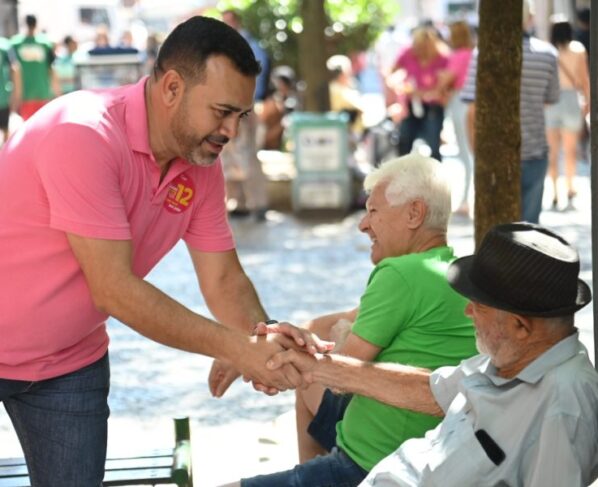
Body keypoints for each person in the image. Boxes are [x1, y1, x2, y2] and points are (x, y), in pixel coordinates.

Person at [0, 16, 328, 486]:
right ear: (172, 86)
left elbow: (223, 279)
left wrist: (263, 339)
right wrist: (238, 347)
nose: (232, 131)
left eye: (241, 116)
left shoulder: (201, 165)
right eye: (221, 111)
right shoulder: (84, 133)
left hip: (69, 363)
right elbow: (115, 289)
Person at [265, 222, 598, 486]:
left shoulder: (562, 408)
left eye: (478, 306)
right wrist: (318, 367)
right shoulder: (517, 358)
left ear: (520, 326)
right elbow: (430, 390)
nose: (468, 312)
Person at [226, 153, 478, 486]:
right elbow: (338, 322)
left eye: (373, 211)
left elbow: (336, 373)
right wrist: (261, 339)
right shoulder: (445, 269)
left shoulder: (400, 273)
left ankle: (317, 476)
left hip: (378, 460)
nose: (362, 224)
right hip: (421, 445)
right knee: (311, 382)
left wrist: (260, 360)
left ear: (414, 213)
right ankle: (314, 473)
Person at [461, 1, 559, 224]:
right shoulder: (548, 55)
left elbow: (471, 110)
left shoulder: (483, 54)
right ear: (530, 18)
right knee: (530, 227)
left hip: (495, 153)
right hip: (534, 149)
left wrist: (476, 151)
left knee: (497, 229)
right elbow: (550, 100)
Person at [221, 9, 270, 220]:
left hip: (244, 104)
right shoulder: (223, 46)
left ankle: (258, 203)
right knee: (228, 153)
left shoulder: (250, 47)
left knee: (248, 154)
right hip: (225, 104)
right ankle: (238, 202)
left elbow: (257, 75)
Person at [545, 16, 590, 211]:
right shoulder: (578, 50)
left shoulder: (548, 51)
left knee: (553, 152)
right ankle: (570, 188)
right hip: (572, 99)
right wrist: (588, 102)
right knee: (570, 150)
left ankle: (555, 192)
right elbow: (584, 79)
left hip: (551, 102)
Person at [389, 26, 449, 161]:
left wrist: (431, 93)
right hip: (412, 104)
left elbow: (445, 86)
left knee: (433, 144)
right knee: (405, 140)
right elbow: (392, 72)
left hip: (433, 106)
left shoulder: (442, 58)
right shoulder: (408, 53)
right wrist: (400, 88)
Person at [438, 20, 475, 215]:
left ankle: (466, 200)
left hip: (462, 103)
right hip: (468, 102)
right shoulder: (473, 54)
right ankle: (467, 199)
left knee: (466, 154)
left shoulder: (459, 56)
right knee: (469, 153)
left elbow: (446, 80)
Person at [10, 14, 59, 120]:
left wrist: (15, 96)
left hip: (27, 95)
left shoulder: (16, 44)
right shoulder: (45, 44)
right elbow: (52, 70)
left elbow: (15, 71)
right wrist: (57, 93)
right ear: (36, 24)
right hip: (42, 93)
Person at [0, 35, 20, 144]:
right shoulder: (4, 44)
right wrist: (17, 93)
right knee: (5, 130)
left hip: (2, 96)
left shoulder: (4, 45)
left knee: (6, 130)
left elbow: (14, 68)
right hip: (2, 96)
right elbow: (15, 68)